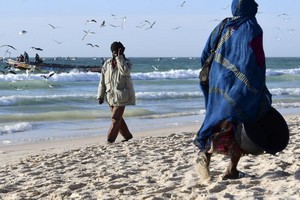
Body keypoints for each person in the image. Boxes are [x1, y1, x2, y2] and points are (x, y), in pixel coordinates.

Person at [194, 0, 272, 180]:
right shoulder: (252, 27)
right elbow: (255, 60)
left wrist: (216, 74)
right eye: (254, 3)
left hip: (218, 82)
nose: (257, 5)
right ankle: (230, 168)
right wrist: (257, 84)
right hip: (241, 82)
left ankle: (207, 153)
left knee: (217, 119)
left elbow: (205, 53)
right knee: (243, 122)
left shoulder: (223, 25)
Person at [97, 41, 135, 143]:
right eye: (114, 51)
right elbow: (102, 81)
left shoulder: (126, 62)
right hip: (110, 96)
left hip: (122, 95)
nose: (115, 53)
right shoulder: (107, 64)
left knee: (115, 117)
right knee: (118, 119)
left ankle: (110, 139)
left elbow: (125, 71)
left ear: (122, 50)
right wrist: (100, 95)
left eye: (118, 50)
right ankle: (127, 136)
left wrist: (120, 58)